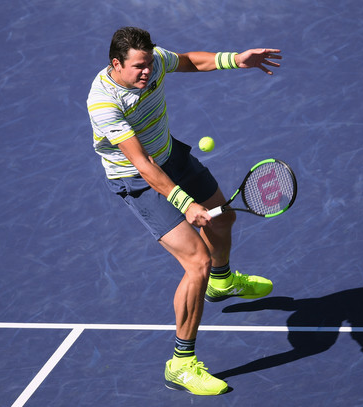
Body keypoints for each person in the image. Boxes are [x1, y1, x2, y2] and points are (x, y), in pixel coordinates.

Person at [86, 26, 281, 396]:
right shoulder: (104, 104)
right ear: (116, 64)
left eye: (148, 64)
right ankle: (181, 364)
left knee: (224, 219)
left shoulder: (154, 60)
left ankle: (222, 284)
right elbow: (142, 165)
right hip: (139, 179)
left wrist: (236, 59)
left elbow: (191, 61)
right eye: (138, 68)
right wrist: (184, 204)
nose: (147, 72)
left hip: (170, 154)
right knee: (196, 262)